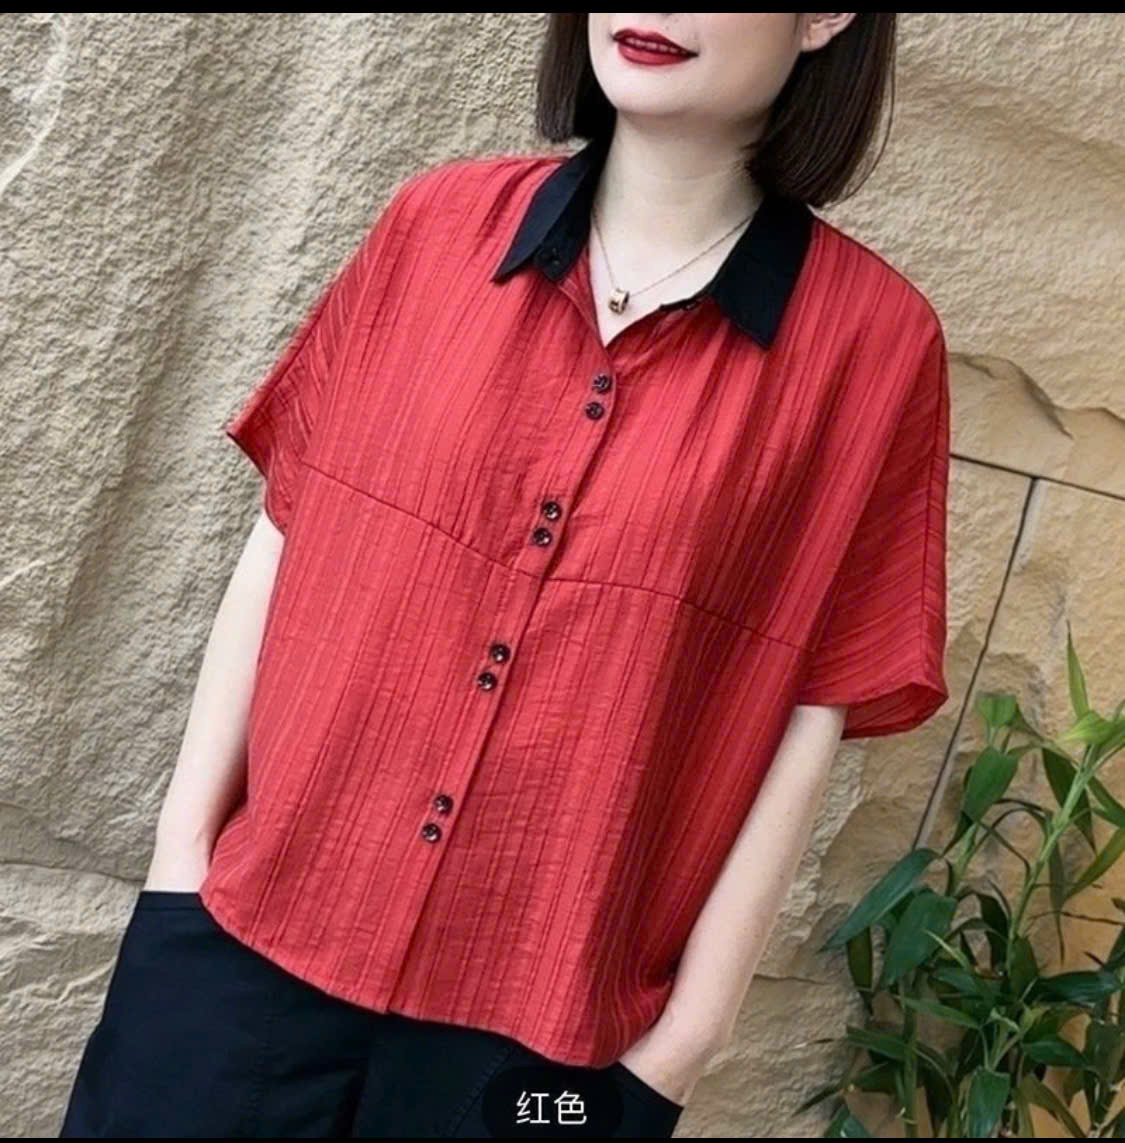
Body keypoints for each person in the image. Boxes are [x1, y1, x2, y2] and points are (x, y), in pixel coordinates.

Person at [60, 12, 950, 1139]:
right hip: (243, 955)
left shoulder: (872, 348)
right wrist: (181, 860)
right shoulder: (435, 230)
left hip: (542, 1051)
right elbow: (285, 533)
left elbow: (810, 707)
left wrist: (686, 1041)